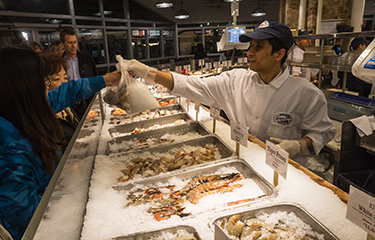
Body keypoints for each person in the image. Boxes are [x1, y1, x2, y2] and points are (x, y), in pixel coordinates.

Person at [122, 20, 336, 166]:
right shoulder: (235, 80)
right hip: (243, 162)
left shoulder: (306, 94)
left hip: (285, 174)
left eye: (259, 47)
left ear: (279, 54)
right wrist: (148, 72)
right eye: (250, 46)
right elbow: (191, 85)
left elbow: (321, 134)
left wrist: (298, 145)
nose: (250, 52)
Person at [0, 46, 121, 240]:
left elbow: (67, 92)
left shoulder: (26, 109)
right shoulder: (7, 150)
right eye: (43, 80)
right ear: (24, 87)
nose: (47, 87)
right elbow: (29, 218)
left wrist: (106, 80)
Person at [39, 51, 80, 152]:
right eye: (57, 79)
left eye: (65, 78)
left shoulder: (66, 108)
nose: (64, 84)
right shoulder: (44, 118)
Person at [60, 28, 98, 118]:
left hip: (88, 100)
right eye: (70, 43)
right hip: (70, 103)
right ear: (62, 44)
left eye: (75, 42)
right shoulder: (60, 62)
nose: (73, 46)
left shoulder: (87, 59)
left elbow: (95, 78)